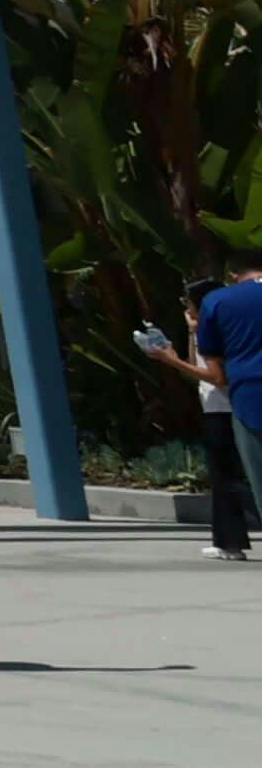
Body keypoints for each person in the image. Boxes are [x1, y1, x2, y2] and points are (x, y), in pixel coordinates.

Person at [146, 232, 262, 563]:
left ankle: (231, 540)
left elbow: (216, 373)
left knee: (246, 475)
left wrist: (170, 359)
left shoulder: (222, 304)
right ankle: (228, 540)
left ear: (234, 276)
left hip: (245, 399)